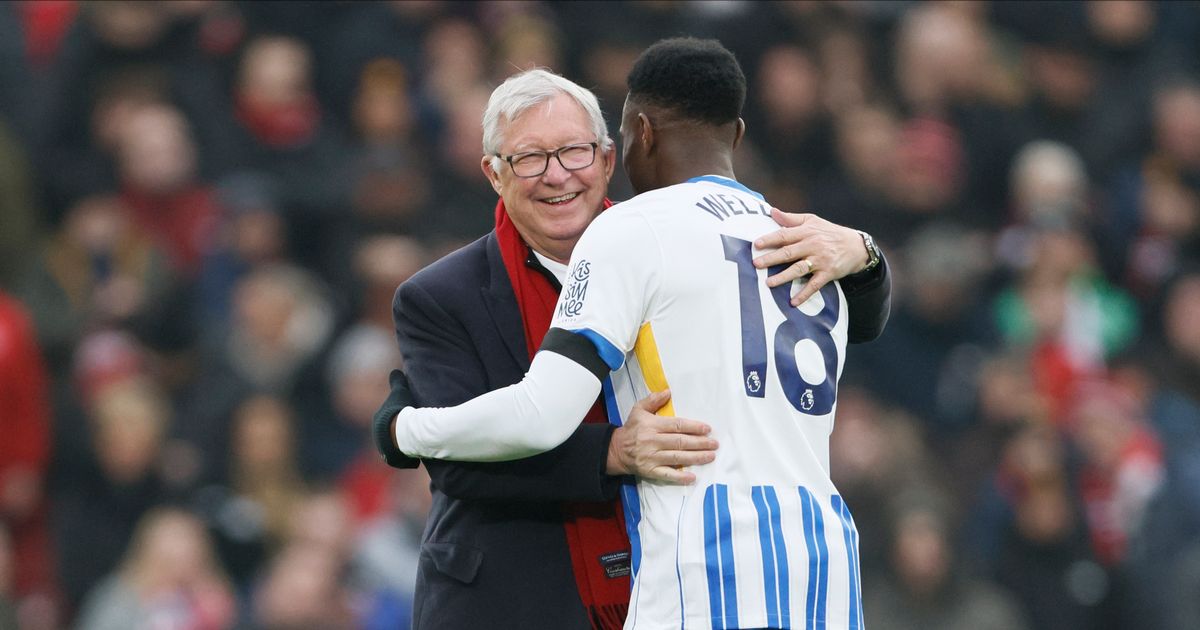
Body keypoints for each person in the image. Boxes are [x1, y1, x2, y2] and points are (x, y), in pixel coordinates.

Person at [375, 50, 890, 629]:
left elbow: (538, 414)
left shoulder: (637, 232)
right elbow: (864, 323)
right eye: (530, 159)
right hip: (820, 562)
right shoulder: (793, 235)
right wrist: (869, 255)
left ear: (621, 146)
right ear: (493, 173)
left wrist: (403, 428)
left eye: (574, 151)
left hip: (704, 563)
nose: (556, 173)